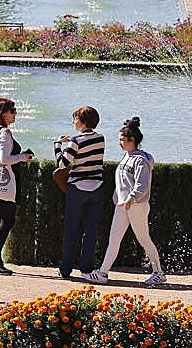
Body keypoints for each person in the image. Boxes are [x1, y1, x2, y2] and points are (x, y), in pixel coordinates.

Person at [87, 117, 166, 288]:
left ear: (132, 140)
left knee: (143, 238)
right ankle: (102, 273)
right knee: (114, 239)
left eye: (122, 139)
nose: (120, 143)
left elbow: (142, 184)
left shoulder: (140, 160)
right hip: (123, 205)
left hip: (136, 205)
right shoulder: (127, 157)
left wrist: (131, 198)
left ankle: (158, 272)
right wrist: (120, 200)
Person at [0, 98, 34, 275]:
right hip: (4, 183)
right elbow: (5, 160)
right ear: (3, 114)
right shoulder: (4, 133)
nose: (15, 114)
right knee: (8, 220)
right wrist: (23, 156)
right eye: (13, 111)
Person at [57, 105, 106, 280]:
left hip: (77, 188)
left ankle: (66, 268)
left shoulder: (75, 141)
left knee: (71, 229)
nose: (73, 121)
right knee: (91, 230)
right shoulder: (101, 138)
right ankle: (86, 268)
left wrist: (58, 145)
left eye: (75, 118)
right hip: (97, 187)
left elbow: (62, 164)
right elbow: (89, 149)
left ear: (82, 121)